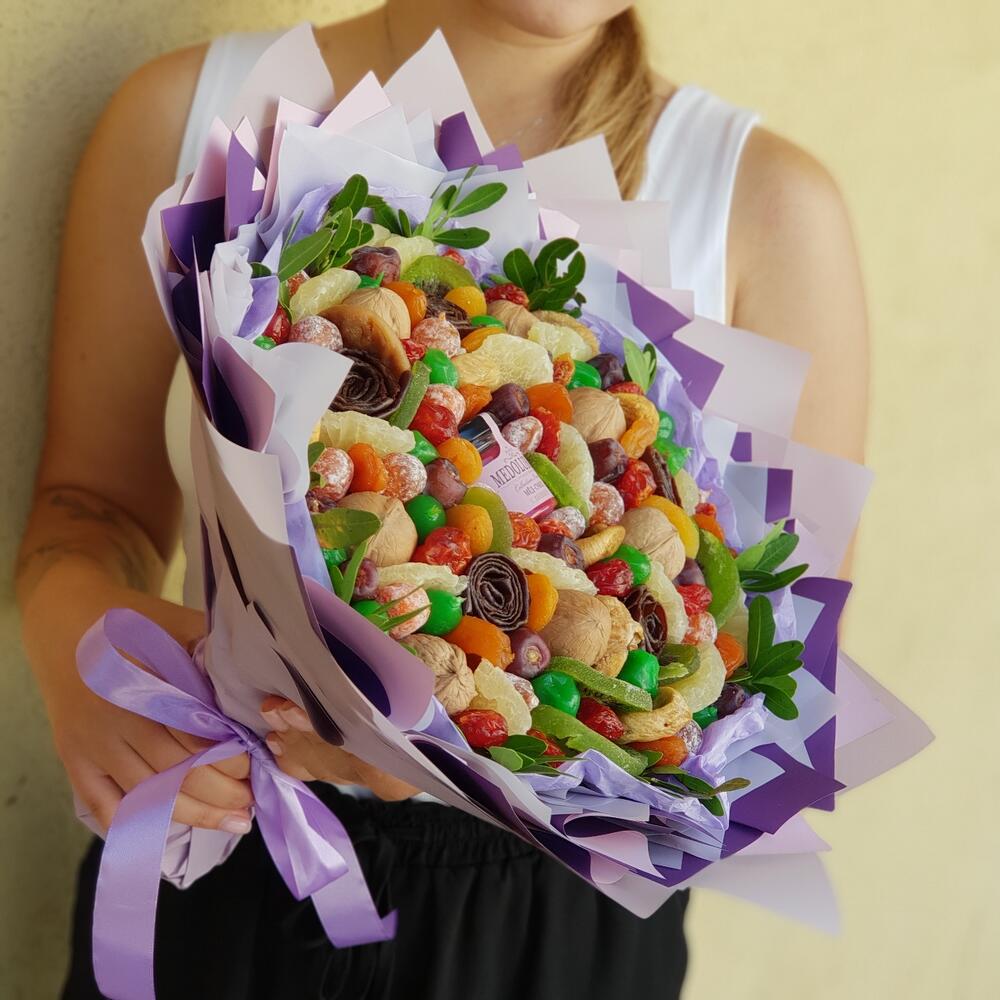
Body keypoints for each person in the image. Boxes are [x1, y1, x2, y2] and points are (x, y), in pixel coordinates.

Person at [16, 1, 869, 997]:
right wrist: (81, 652)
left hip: (546, 941)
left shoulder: (766, 210)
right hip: (228, 846)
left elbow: (764, 691)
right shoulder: (189, 114)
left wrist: (452, 757)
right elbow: (88, 512)